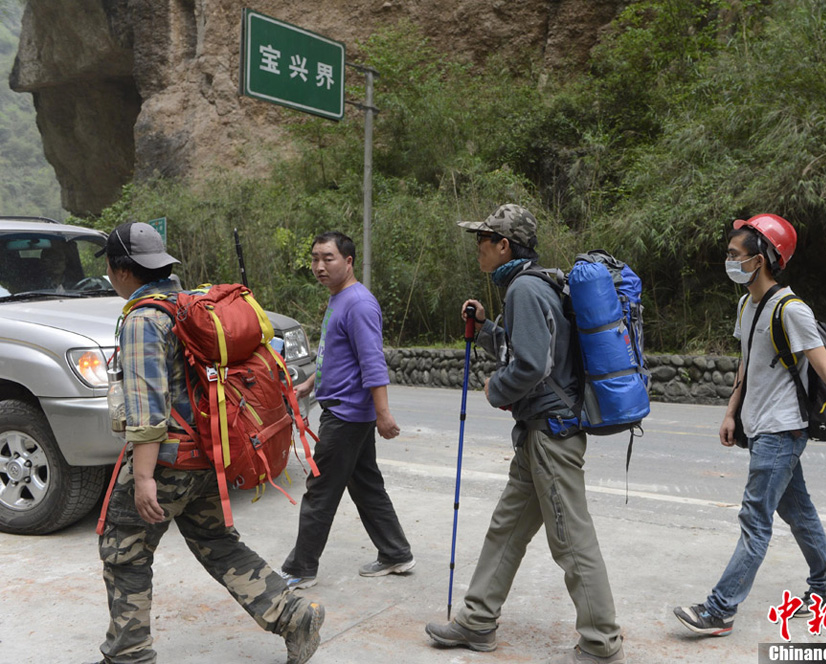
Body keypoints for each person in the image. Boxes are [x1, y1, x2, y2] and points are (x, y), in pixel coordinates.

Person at [89, 221, 324, 664]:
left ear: (120, 270)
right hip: (207, 456)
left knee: (124, 550)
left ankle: (129, 653)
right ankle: (294, 616)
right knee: (218, 542)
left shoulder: (143, 319)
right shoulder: (185, 305)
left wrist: (143, 478)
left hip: (168, 460)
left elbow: (147, 410)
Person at [674, 213, 826, 637]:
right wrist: (730, 410)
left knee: (755, 518)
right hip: (759, 427)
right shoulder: (747, 304)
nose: (730, 260)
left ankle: (720, 609)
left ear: (761, 259)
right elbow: (747, 362)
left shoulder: (792, 310)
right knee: (799, 511)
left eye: (735, 254)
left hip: (783, 430)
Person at [425, 204, 626, 664]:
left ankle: (601, 642)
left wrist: (496, 389)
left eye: (485, 239)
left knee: (571, 540)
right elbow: (535, 349)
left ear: (505, 246)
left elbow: (533, 366)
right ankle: (476, 620)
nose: (478, 246)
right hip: (542, 434)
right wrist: (487, 328)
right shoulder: (536, 286)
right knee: (506, 528)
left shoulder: (524, 290)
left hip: (550, 437)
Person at [280, 231, 414, 589]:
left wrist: (382, 413)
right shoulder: (339, 299)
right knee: (367, 485)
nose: (320, 266)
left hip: (347, 415)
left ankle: (301, 567)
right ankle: (396, 553)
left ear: (349, 261)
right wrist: (311, 384)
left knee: (320, 491)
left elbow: (372, 362)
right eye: (315, 259)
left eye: (328, 258)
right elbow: (338, 357)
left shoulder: (358, 303)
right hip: (345, 409)